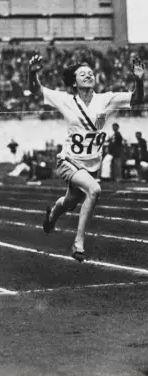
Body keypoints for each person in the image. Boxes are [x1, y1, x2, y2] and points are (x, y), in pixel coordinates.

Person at [28, 54, 145, 262]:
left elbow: (136, 99)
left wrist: (139, 79)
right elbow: (37, 90)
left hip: (91, 165)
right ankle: (78, 242)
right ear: (74, 81)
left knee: (70, 202)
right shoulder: (66, 100)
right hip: (68, 161)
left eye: (91, 73)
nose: (88, 75)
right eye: (83, 74)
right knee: (94, 190)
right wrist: (32, 73)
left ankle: (52, 216)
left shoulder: (105, 99)